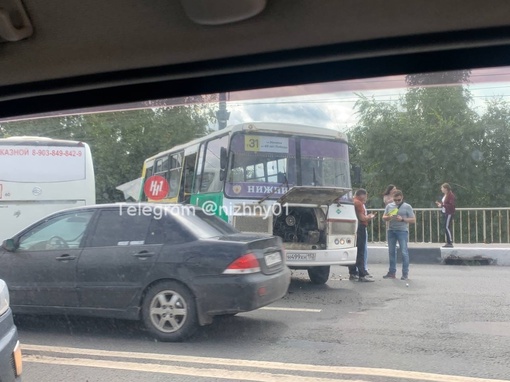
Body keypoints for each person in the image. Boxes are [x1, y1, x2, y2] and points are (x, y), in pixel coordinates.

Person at [382, 190, 416, 280]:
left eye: (399, 200)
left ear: (402, 198)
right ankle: (392, 272)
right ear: (393, 198)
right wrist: (389, 217)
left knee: (404, 252)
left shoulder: (407, 206)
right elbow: (384, 217)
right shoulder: (389, 206)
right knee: (391, 252)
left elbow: (413, 219)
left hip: (402, 231)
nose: (397, 202)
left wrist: (402, 219)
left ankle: (405, 273)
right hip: (391, 230)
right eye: (395, 200)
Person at [348, 189, 376, 282]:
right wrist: (369, 217)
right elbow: (362, 218)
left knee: (353, 250)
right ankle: (362, 274)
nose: (366, 198)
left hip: (351, 227)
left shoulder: (350, 201)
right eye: (366, 196)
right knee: (360, 251)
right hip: (360, 228)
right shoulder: (358, 203)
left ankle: (352, 273)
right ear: (362, 195)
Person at [435, 182, 456, 248]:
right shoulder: (446, 195)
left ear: (446, 188)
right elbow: (446, 204)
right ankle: (448, 242)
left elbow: (451, 205)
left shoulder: (451, 195)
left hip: (449, 213)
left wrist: (442, 205)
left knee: (446, 227)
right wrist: (441, 205)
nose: (441, 189)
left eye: (442, 188)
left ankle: (450, 242)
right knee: (446, 226)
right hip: (445, 212)